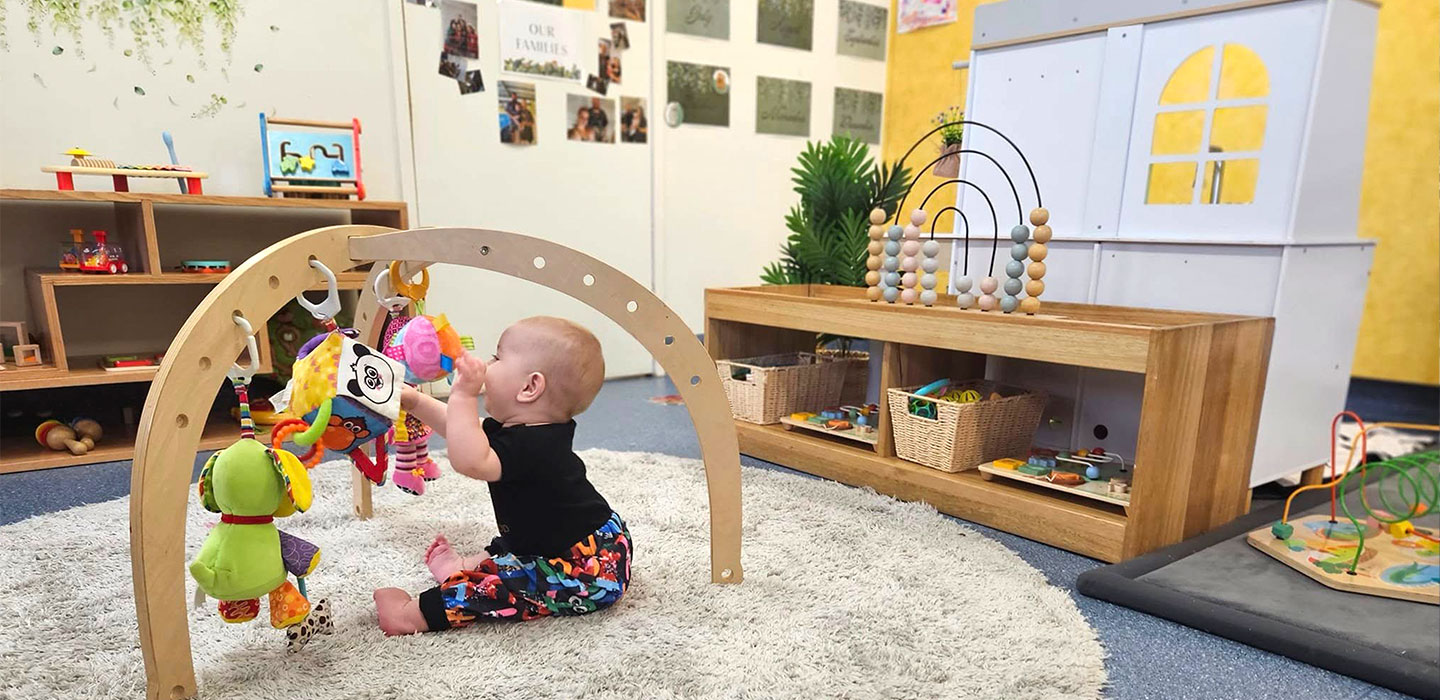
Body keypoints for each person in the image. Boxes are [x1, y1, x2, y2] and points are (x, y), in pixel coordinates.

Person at [373, 317, 630, 634]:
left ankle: (409, 615)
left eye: (497, 357)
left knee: (497, 589)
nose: (486, 364)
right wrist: (415, 402)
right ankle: (464, 567)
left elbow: (470, 460)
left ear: (529, 387)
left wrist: (463, 395)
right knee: (517, 545)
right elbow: (464, 430)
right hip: (559, 540)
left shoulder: (536, 447)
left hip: (588, 572)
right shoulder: (526, 430)